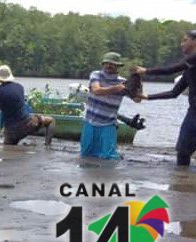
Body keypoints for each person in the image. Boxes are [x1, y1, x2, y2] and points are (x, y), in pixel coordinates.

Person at [137, 30, 196, 166]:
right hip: (193, 113)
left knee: (183, 152)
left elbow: (170, 70)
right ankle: (182, 183)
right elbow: (174, 93)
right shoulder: (190, 69)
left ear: (194, 41)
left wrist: (146, 71)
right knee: (182, 152)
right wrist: (147, 97)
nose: (181, 44)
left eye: (185, 40)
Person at [80, 52, 133, 159]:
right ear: (103, 64)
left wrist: (137, 79)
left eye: (112, 64)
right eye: (107, 63)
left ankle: (108, 174)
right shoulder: (96, 75)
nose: (109, 66)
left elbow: (137, 99)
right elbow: (96, 90)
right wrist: (116, 88)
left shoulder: (123, 82)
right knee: (86, 154)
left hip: (108, 124)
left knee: (108, 157)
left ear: (118, 66)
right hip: (90, 121)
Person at [0, 65, 55, 145]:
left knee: (8, 149)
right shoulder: (20, 87)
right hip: (28, 124)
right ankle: (47, 145)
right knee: (51, 121)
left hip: (11, 131)